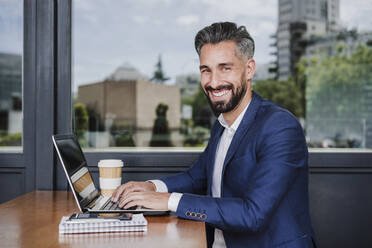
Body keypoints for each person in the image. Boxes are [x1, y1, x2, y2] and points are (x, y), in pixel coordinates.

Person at [112, 22, 316, 248]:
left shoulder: (280, 127)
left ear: (249, 70)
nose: (214, 82)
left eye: (225, 68)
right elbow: (197, 176)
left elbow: (252, 214)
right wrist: (152, 187)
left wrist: (167, 200)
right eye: (206, 70)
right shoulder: (222, 124)